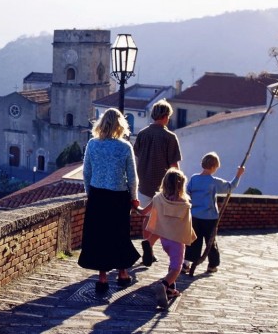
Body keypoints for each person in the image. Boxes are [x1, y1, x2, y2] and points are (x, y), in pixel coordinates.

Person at [78, 108, 140, 294]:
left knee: (99, 236)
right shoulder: (125, 147)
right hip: (118, 196)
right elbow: (132, 177)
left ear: (102, 123)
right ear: (120, 125)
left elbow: (86, 172)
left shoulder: (92, 144)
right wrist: (134, 198)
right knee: (119, 235)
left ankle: (102, 278)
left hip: (98, 195)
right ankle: (122, 274)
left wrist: (90, 193)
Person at [138, 168, 196, 309]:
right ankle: (163, 286)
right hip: (177, 241)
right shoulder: (185, 203)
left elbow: (144, 212)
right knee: (176, 268)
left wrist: (135, 206)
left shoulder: (158, 198)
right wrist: (191, 236)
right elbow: (187, 225)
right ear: (181, 185)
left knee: (172, 264)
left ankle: (170, 290)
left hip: (163, 238)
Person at [134, 99, 182, 266]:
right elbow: (174, 166)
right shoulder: (170, 137)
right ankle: (150, 246)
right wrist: (179, 186)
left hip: (144, 184)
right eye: (168, 116)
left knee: (146, 218)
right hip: (163, 187)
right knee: (162, 220)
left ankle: (148, 251)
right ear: (165, 116)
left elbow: (137, 157)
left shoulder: (142, 134)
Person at [183, 152, 245, 273]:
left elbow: (188, 193)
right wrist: (238, 175)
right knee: (210, 241)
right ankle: (212, 264)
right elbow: (230, 187)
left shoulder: (194, 178)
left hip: (194, 215)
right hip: (210, 218)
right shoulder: (214, 181)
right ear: (213, 167)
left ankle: (186, 263)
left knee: (193, 240)